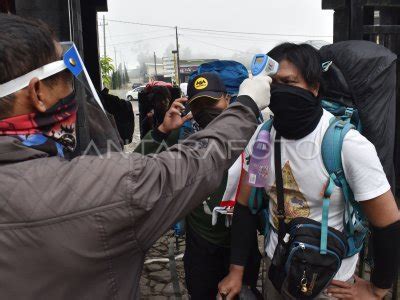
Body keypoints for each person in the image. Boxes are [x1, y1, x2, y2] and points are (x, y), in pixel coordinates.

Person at [0, 14, 271, 299]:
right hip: (202, 242)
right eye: (67, 77)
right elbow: (187, 164)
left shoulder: (260, 138)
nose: (72, 93)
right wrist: (246, 106)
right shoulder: (96, 188)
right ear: (38, 92)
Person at [218, 43, 400, 299]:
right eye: (274, 84)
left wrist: (378, 288)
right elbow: (246, 205)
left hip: (331, 282)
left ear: (314, 88)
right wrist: (236, 271)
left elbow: (388, 221)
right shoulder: (263, 139)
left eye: (289, 83)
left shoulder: (346, 145)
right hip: (277, 269)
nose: (279, 91)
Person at [135, 72, 263, 299]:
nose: (206, 110)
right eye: (199, 105)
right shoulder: (185, 136)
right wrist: (163, 130)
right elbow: (135, 169)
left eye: (212, 103)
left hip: (242, 242)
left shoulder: (251, 133)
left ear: (228, 100)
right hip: (201, 243)